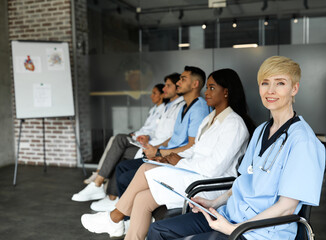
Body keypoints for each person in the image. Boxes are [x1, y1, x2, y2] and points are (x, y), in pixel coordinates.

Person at [147, 56, 326, 240]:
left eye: (280, 83)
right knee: (158, 230)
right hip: (230, 215)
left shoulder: (303, 141)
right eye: (265, 83)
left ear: (294, 88)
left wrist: (236, 228)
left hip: (261, 230)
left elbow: (287, 207)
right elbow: (243, 181)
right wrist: (213, 202)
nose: (271, 91)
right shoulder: (261, 130)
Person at [80, 68, 256, 239]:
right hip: (193, 173)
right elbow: (196, 149)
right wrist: (168, 158)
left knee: (145, 168)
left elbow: (214, 168)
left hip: (208, 185)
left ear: (226, 92)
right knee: (142, 198)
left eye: (212, 88)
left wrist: (179, 162)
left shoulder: (234, 124)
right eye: (207, 87)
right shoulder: (210, 120)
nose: (207, 92)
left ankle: (115, 217)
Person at [88, 66, 210, 212]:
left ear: (195, 84)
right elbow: (173, 137)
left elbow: (192, 145)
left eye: (183, 79)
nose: (179, 83)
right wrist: (156, 148)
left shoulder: (199, 108)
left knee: (125, 174)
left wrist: (159, 153)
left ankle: (122, 211)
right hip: (164, 152)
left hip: (176, 159)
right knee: (122, 167)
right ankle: (118, 204)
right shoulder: (185, 107)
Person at [72, 73, 185, 202]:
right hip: (150, 143)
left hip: (156, 148)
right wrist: (146, 136)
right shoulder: (168, 107)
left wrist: (155, 146)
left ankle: (104, 187)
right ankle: (109, 194)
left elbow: (172, 136)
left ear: (177, 87)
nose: (164, 89)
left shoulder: (180, 107)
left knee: (119, 141)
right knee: (117, 141)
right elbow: (156, 130)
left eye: (168, 86)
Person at [83, 83, 166, 185]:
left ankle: (100, 175)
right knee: (114, 139)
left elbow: (153, 132)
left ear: (162, 95)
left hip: (146, 141)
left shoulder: (164, 110)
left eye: (154, 93)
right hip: (139, 137)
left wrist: (137, 136)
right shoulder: (153, 109)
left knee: (118, 141)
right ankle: (99, 173)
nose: (151, 95)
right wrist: (134, 134)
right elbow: (145, 128)